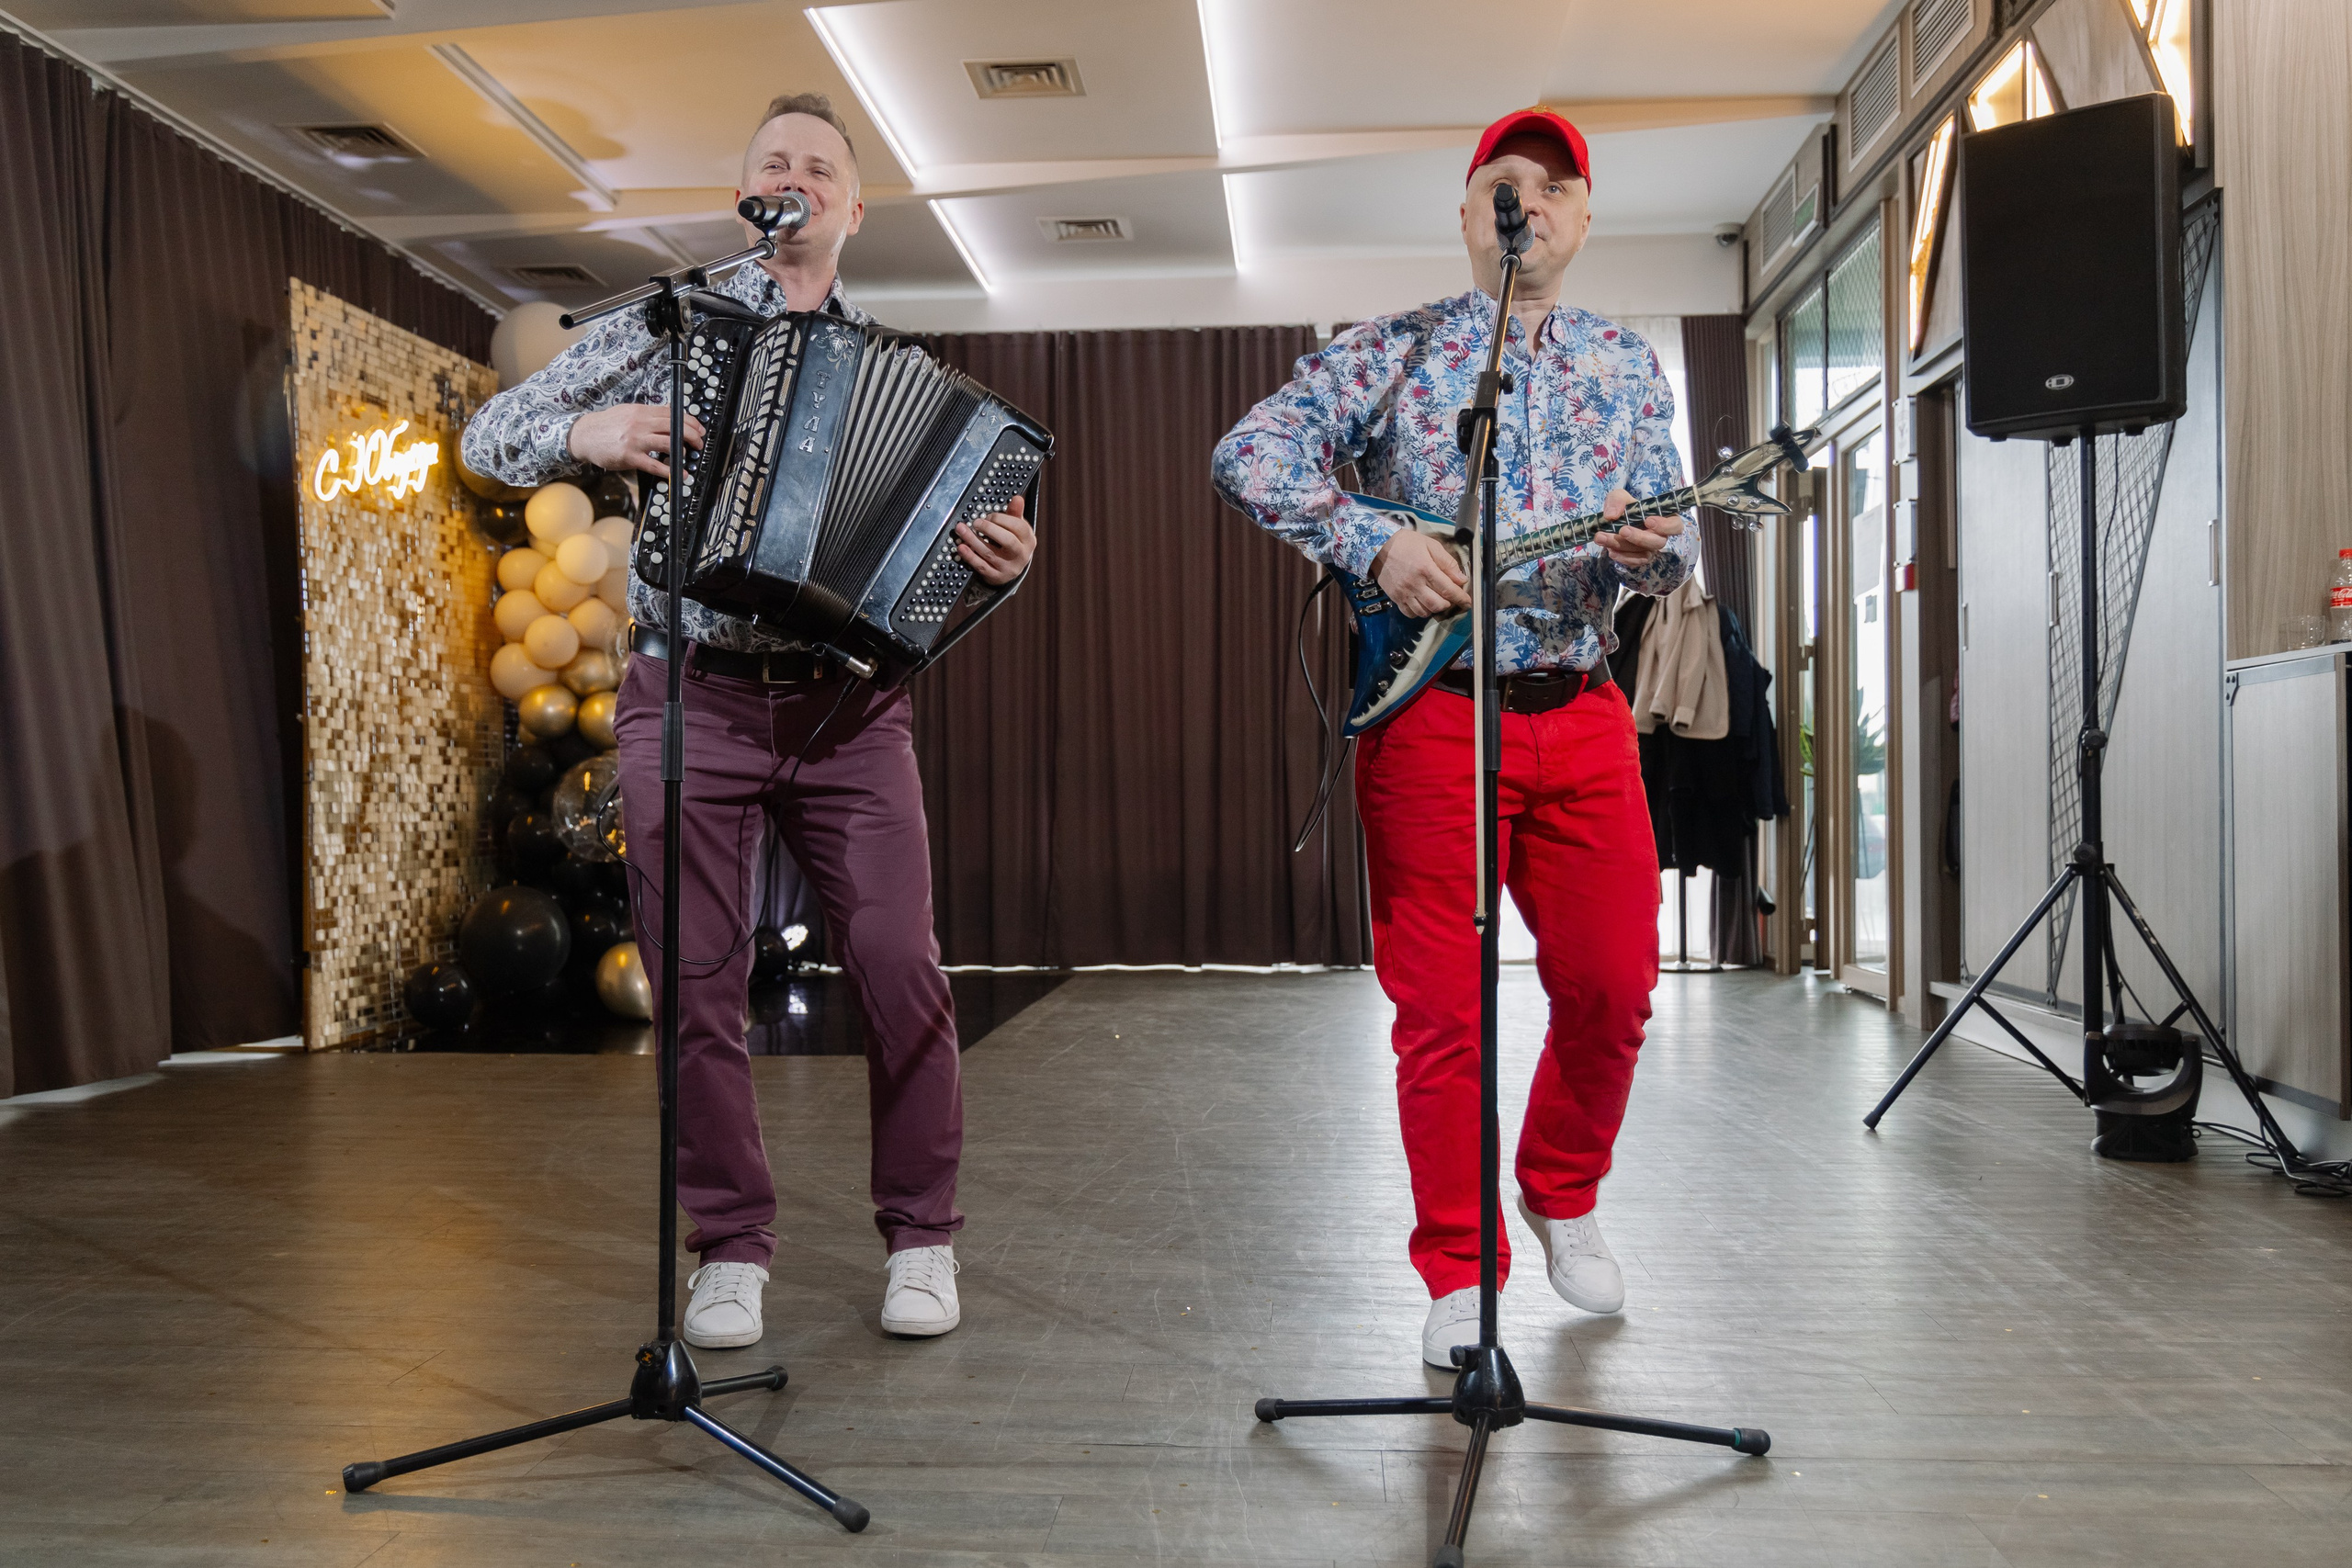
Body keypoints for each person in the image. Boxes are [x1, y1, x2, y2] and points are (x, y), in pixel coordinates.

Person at [464, 93, 1035, 1348]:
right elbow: (492, 434)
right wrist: (590, 427)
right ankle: (730, 1247)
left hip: (849, 710)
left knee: (898, 964)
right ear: (747, 199)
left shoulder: (898, 374)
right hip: (690, 694)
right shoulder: (668, 333)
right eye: (774, 163)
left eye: (820, 166)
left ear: (854, 206)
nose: (798, 178)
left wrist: (1001, 559)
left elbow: (938, 570)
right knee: (696, 979)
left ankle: (922, 1237)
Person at [1212, 108, 1695, 1369]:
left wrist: (1655, 550)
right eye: (1498, 186)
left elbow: (1676, 541)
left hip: (1580, 708)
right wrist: (1373, 538)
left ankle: (1560, 1188)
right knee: (1442, 1013)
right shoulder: (1402, 348)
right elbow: (1248, 451)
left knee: (1613, 985)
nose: (1521, 204)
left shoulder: (1627, 365)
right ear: (1469, 215)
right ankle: (1459, 1268)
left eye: (1546, 187)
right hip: (1432, 714)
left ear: (1582, 218)